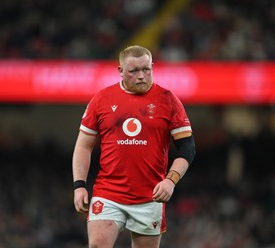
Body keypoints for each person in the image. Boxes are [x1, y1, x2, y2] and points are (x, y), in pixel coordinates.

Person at [72, 45, 196, 248]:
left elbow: (188, 148)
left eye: (146, 69)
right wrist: (79, 186)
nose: (141, 76)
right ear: (120, 71)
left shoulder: (168, 100)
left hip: (149, 196)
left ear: (153, 67)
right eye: (134, 71)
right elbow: (83, 146)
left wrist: (170, 181)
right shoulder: (102, 99)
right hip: (108, 192)